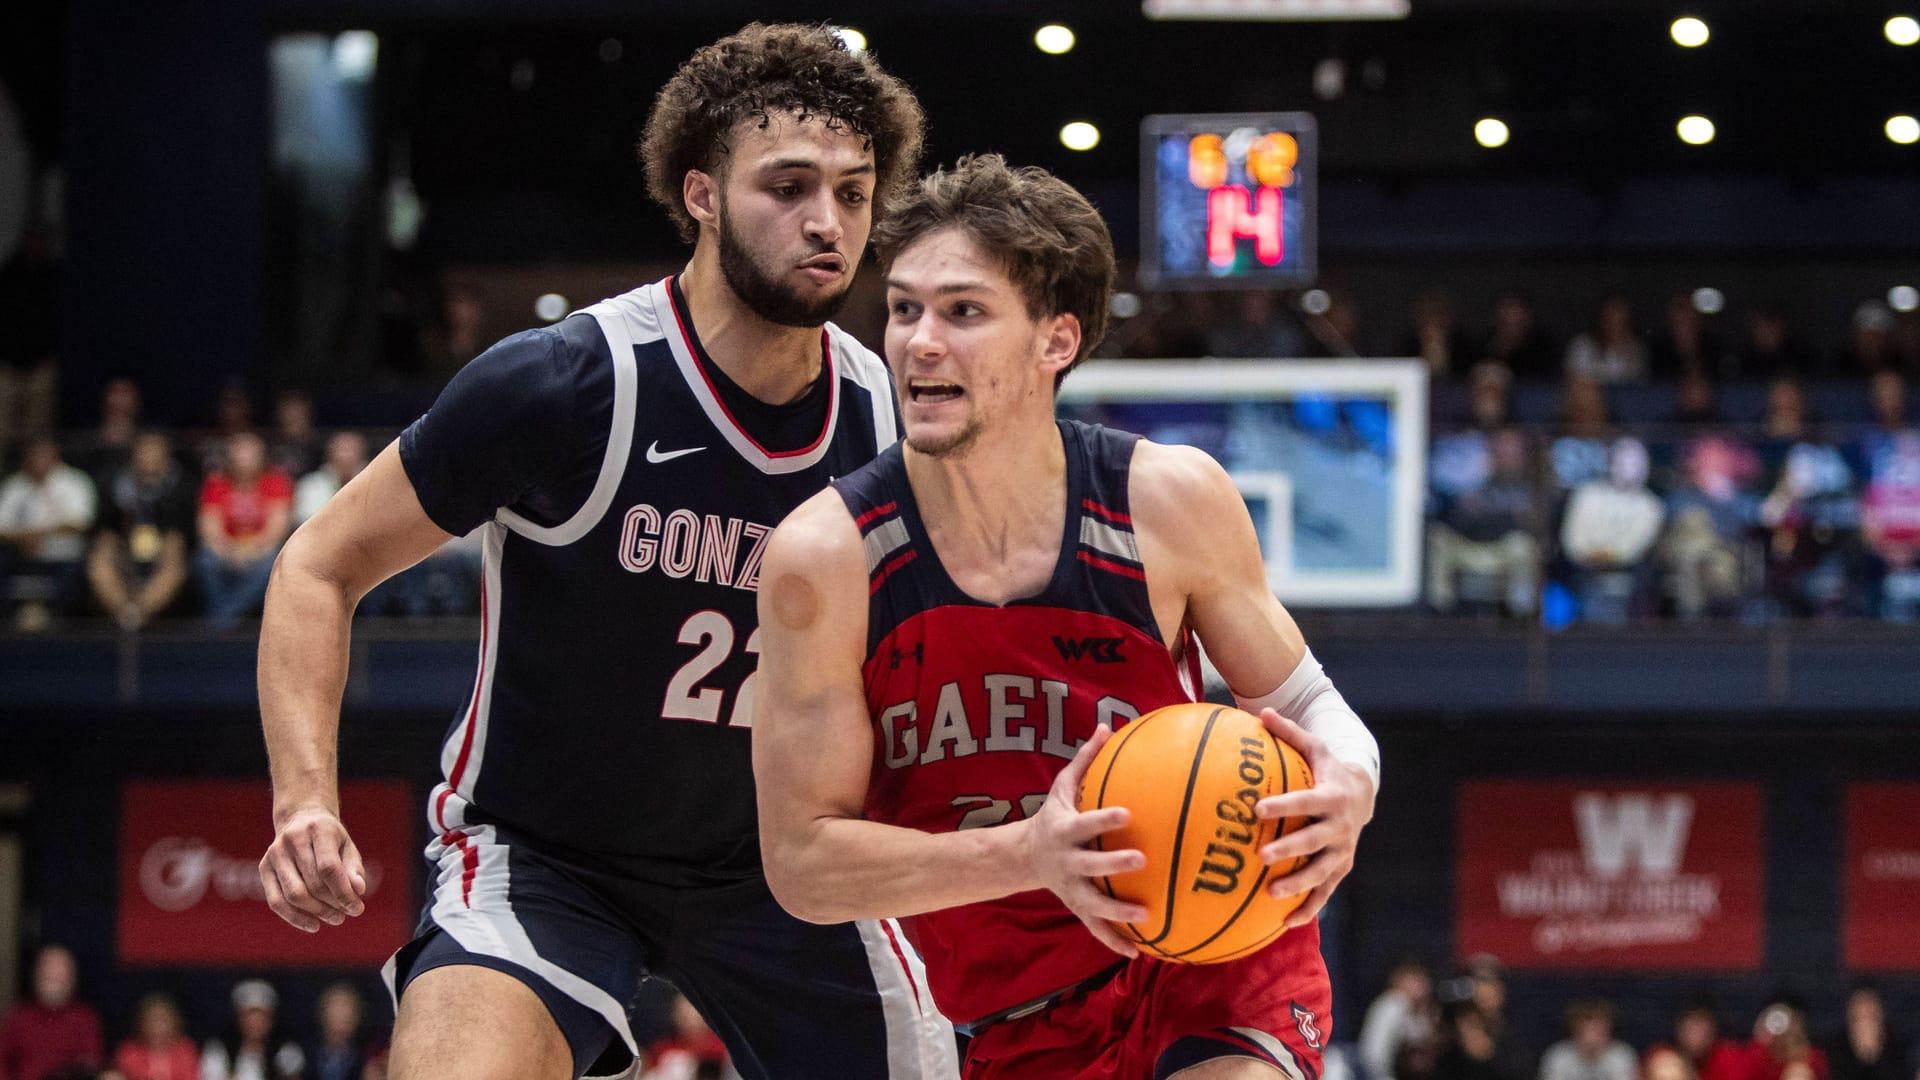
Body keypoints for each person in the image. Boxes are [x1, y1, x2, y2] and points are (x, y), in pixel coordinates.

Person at [254, 23, 953, 1080]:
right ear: (702, 194)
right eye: (789, 186)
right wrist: (304, 799)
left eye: (854, 193)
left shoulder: (891, 427)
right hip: (548, 855)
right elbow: (318, 564)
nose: (828, 221)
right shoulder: (567, 382)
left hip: (790, 864)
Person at [752, 154, 1380, 1077]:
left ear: (1056, 341)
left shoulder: (1168, 500)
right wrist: (1032, 854)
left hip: (1206, 942)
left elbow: (1311, 702)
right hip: (1008, 1009)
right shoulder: (826, 557)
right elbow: (802, 866)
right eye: (904, 309)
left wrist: (1354, 776)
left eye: (964, 312)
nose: (921, 341)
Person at [87, 431, 196, 630]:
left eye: (155, 451)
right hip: (125, 547)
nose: (149, 456)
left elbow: (181, 533)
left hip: (164, 550)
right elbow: (106, 530)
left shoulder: (181, 486)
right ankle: (124, 613)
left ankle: (138, 613)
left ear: (166, 455)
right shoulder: (115, 484)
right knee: (101, 556)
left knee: (174, 550)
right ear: (134, 455)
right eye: (144, 450)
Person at [195, 431, 293, 626]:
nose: (245, 459)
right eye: (240, 452)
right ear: (230, 456)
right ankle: (227, 619)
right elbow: (209, 529)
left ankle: (223, 621)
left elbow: (276, 531)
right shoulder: (216, 484)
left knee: (272, 564)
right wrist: (231, 551)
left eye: (251, 453)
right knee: (205, 561)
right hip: (225, 549)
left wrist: (249, 551)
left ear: (261, 456)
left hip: (260, 550)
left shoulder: (276, 482)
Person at [0, 437, 98, 631]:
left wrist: (40, 535)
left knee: (77, 571)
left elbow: (80, 523)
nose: (39, 459)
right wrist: (24, 539)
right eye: (34, 454)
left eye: (44, 454)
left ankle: (62, 627)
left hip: (63, 559)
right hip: (20, 557)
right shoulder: (15, 486)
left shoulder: (75, 482)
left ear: (55, 455)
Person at [0, 944, 103, 1080]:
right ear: (36, 975)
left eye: (59, 972)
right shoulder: (19, 1018)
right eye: (47, 970)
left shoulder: (84, 1019)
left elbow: (90, 1065)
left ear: (71, 978)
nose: (53, 976)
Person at [200, 980, 303, 1080]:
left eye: (261, 1017)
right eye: (249, 1017)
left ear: (271, 1020)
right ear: (239, 1019)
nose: (255, 1024)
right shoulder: (219, 1048)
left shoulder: (286, 1050)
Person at [1359, 955, 1440, 1080]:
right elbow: (1374, 1056)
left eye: (1421, 978)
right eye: (1413, 978)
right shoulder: (1391, 1004)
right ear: (1397, 980)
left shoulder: (1423, 1010)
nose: (1421, 985)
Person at [301, 982, 384, 1080]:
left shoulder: (368, 1058)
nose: (342, 1016)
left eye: (347, 1009)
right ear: (323, 1012)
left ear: (357, 1016)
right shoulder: (304, 1055)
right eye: (336, 1009)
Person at [1536, 999, 1634, 1080]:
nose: (1592, 1037)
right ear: (1575, 1032)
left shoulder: (1620, 1055)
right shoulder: (1558, 1056)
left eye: (1598, 1031)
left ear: (1608, 1031)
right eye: (1586, 1030)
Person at [112, 993, 200, 1080]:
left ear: (175, 1022)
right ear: (140, 1023)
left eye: (163, 1020)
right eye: (152, 1021)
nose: (157, 1027)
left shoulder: (186, 1050)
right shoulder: (128, 1052)